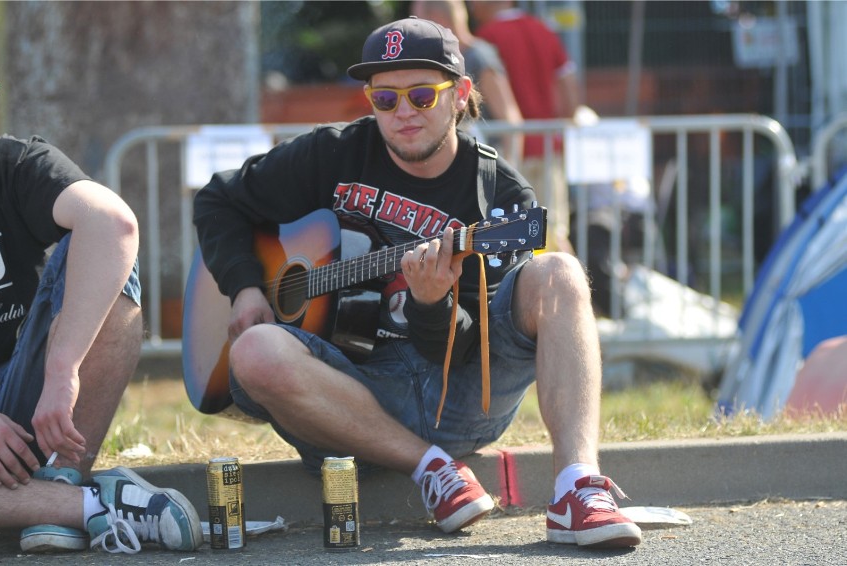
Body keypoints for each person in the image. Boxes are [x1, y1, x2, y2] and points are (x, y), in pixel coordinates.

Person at [193, 17, 641, 548]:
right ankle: (430, 469)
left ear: (461, 95)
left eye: (422, 95)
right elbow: (218, 199)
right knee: (253, 352)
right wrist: (246, 286)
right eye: (385, 99)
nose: (403, 112)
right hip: (346, 397)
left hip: (458, 394)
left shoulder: (499, 197)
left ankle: (576, 488)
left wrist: (432, 303)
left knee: (560, 272)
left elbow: (468, 349)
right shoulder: (333, 154)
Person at [0, 134, 202, 554]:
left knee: (100, 255)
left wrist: (62, 369)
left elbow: (112, 223)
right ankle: (94, 506)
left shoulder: (11, 163)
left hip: (26, 418)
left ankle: (61, 475)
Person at [470, 0, 584, 253]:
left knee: (517, 236)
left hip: (509, 150)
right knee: (554, 231)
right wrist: (560, 125)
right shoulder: (544, 30)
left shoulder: (486, 39)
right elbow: (569, 87)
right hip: (548, 146)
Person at [410, 0, 524, 165]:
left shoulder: (479, 56)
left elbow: (510, 118)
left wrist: (508, 173)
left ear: (435, 19)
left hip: (484, 166)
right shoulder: (440, 61)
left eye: (418, 22)